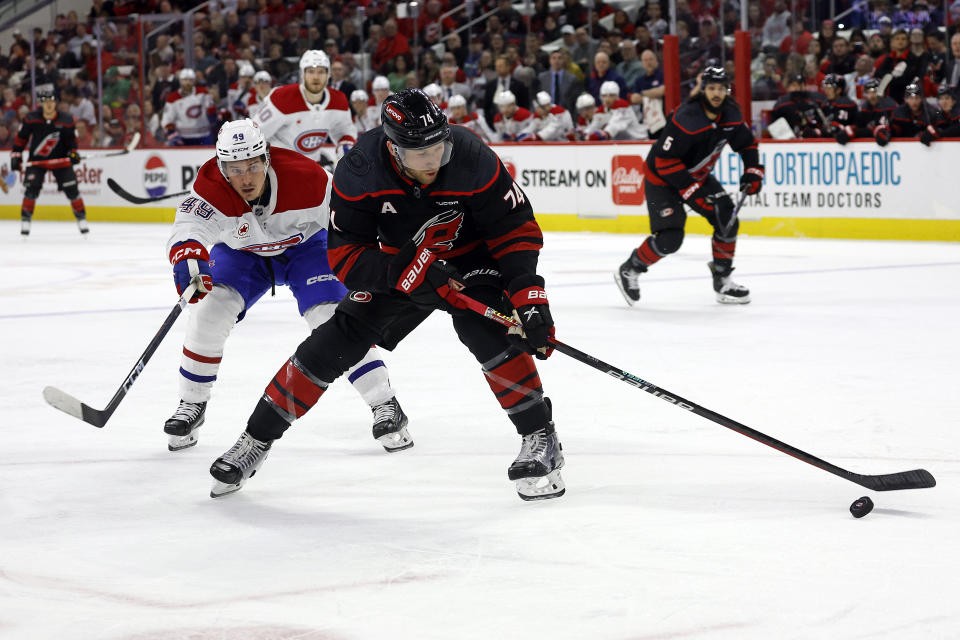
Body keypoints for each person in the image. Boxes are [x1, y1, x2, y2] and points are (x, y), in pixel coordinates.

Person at [208, 89, 565, 502]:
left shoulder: (470, 153)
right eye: (421, 154)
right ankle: (255, 439)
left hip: (471, 263)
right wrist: (406, 273)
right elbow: (344, 256)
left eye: (439, 148)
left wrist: (530, 297)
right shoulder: (359, 169)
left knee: (483, 329)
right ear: (394, 150)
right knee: (334, 339)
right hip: (399, 269)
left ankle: (541, 436)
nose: (434, 160)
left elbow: (514, 228)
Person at [164, 119, 410, 454]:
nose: (246, 178)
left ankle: (385, 402)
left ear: (266, 158)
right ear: (222, 168)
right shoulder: (211, 185)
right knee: (209, 310)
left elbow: (351, 220)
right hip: (243, 254)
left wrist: (374, 260)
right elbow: (190, 226)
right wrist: (189, 256)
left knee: (331, 318)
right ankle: (191, 404)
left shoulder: (306, 178)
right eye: (235, 169)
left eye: (252, 165)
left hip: (306, 248)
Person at [614, 67, 764, 305]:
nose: (716, 93)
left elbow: (747, 145)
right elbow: (664, 160)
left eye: (721, 88)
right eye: (711, 88)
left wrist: (753, 172)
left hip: (697, 177)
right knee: (670, 238)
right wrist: (691, 191)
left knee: (726, 217)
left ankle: (722, 279)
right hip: (661, 179)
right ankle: (631, 268)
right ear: (703, 89)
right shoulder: (687, 118)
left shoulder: (732, 115)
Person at [253, 50, 357, 166]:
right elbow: (255, 134)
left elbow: (344, 133)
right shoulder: (282, 98)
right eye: (311, 71)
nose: (316, 77)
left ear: (328, 75)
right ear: (302, 74)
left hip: (312, 167)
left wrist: (346, 153)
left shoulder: (338, 101)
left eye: (321, 72)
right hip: (280, 167)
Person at [10, 86, 88, 237]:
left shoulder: (67, 119)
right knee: (31, 190)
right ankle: (26, 220)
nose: (49, 104)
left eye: (52, 101)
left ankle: (81, 218)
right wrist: (16, 156)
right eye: (45, 101)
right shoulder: (31, 118)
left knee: (72, 190)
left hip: (60, 160)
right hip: (37, 161)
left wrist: (73, 154)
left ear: (56, 102)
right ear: (40, 103)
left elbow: (72, 141)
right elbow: (21, 139)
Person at [161, 68, 216, 145]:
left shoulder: (203, 93)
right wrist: (172, 134)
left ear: (194, 81)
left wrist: (212, 108)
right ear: (180, 81)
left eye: (190, 80)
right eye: (185, 80)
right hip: (183, 138)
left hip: (204, 135)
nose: (187, 83)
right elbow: (167, 120)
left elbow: (212, 113)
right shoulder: (172, 98)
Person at [856, 78, 898, 143]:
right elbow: (859, 127)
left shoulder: (891, 106)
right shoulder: (864, 108)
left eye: (874, 92)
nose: (871, 96)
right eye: (868, 92)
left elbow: (898, 130)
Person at [820, 74, 859, 144]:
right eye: (825, 88)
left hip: (848, 144)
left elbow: (855, 126)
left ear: (839, 90)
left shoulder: (847, 104)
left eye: (829, 88)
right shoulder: (825, 104)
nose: (826, 91)